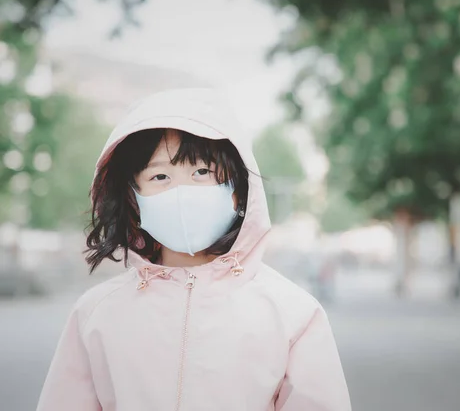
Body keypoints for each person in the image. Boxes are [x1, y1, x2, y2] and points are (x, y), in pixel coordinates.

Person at [36, 88, 351, 411]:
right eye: (160, 176)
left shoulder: (293, 314)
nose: (181, 192)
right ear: (133, 200)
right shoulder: (95, 314)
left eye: (202, 172)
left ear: (239, 191)